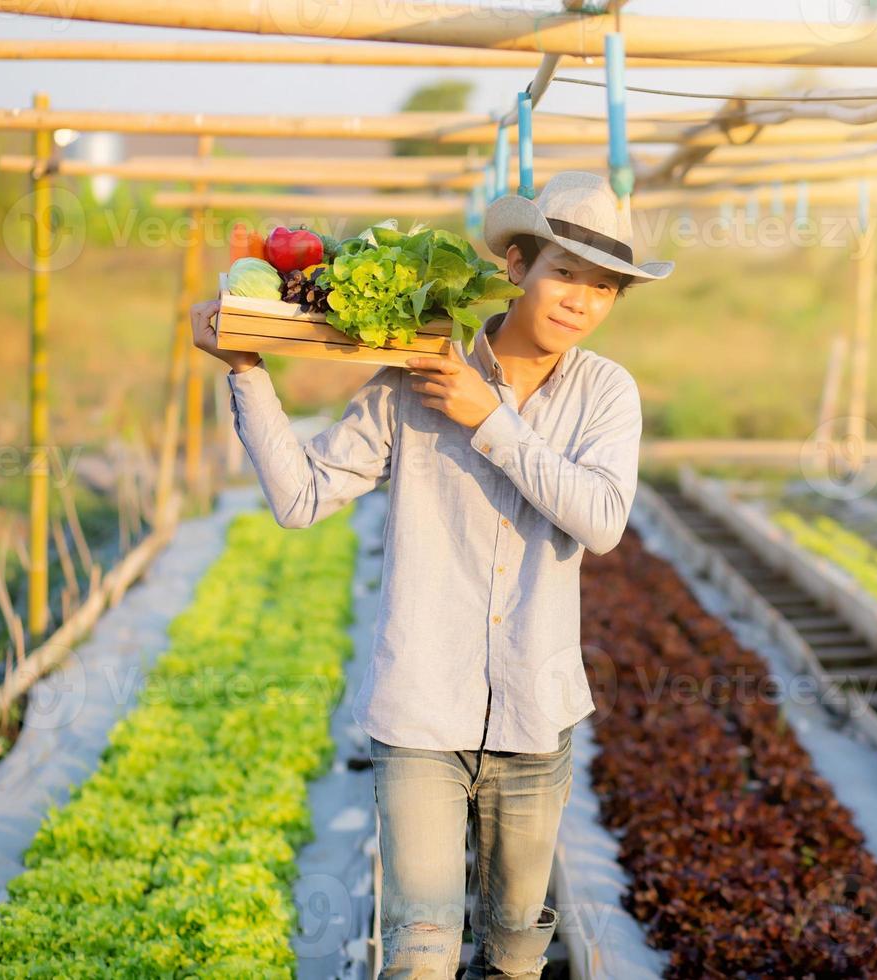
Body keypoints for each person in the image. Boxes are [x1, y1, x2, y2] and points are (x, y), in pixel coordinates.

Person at [188, 170, 674, 979]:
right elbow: (303, 498)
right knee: (419, 946)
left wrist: (493, 421)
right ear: (518, 267)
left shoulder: (606, 394)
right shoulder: (414, 382)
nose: (580, 301)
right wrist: (245, 370)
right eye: (564, 273)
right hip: (419, 711)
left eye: (603, 287)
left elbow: (601, 521)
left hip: (534, 708)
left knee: (518, 946)